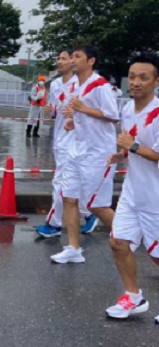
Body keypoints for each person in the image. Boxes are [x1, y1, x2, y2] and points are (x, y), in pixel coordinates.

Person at [51, 45, 119, 264]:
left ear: (91, 61)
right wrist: (73, 122)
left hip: (98, 153)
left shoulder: (100, 85)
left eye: (77, 57)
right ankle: (73, 248)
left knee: (96, 204)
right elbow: (81, 114)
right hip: (76, 150)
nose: (72, 60)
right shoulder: (76, 87)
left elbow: (112, 116)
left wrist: (82, 110)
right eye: (71, 57)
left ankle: (129, 236)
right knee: (69, 198)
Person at [105, 53, 159, 322]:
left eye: (143, 77)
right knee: (118, 242)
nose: (136, 82)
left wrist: (132, 147)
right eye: (133, 76)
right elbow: (133, 144)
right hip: (132, 192)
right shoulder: (127, 109)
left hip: (155, 196)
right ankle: (133, 296)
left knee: (157, 254)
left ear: (156, 81)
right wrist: (123, 155)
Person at [35, 50, 98, 238]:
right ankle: (89, 214)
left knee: (60, 182)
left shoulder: (80, 84)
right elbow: (56, 108)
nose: (59, 62)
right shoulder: (54, 84)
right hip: (59, 138)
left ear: (72, 61)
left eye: (64, 58)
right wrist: (51, 109)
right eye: (58, 58)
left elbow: (91, 111)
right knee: (70, 183)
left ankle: (53, 224)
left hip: (75, 140)